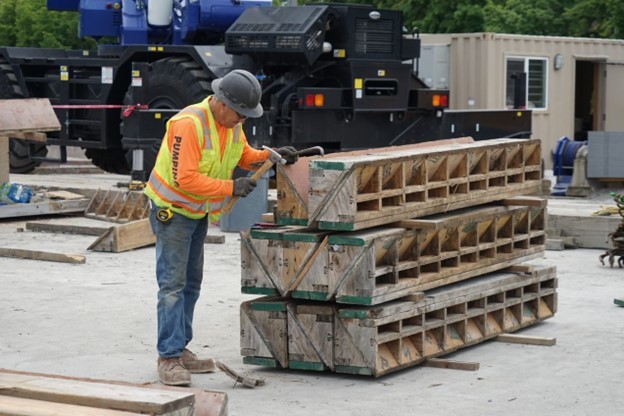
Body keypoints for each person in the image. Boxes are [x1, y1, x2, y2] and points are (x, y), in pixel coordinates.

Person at [144, 69, 298, 386]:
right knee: (172, 286)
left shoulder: (229, 125)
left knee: (191, 283)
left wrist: (269, 156)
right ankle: (168, 357)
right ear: (223, 104)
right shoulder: (189, 125)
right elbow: (185, 178)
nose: (243, 121)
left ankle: (180, 347)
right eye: (240, 115)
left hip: (196, 210)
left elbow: (241, 153)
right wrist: (230, 188)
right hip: (172, 213)